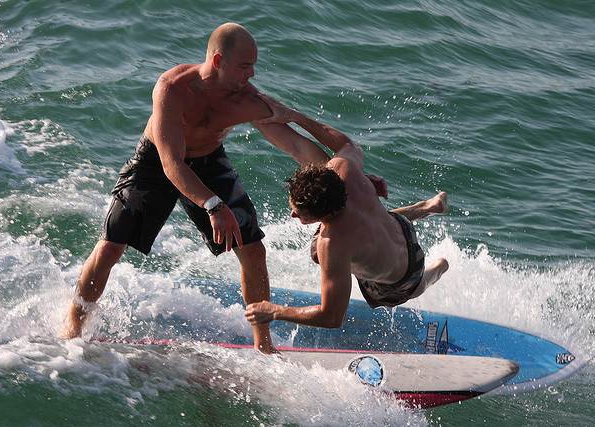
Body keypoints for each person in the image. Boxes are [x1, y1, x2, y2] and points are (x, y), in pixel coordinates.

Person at [61, 23, 330, 352]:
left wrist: (342, 174)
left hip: (207, 161)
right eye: (245, 66)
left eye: (253, 66)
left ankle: (263, 345)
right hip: (156, 160)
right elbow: (171, 163)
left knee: (252, 250)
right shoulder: (173, 89)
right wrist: (214, 206)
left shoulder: (246, 99)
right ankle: (73, 327)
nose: (252, 74)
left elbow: (297, 147)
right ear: (218, 61)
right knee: (110, 247)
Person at [245, 96, 449, 328]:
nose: (293, 215)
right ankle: (428, 207)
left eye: (299, 213)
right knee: (362, 212)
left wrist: (276, 311)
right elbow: (348, 145)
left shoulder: (332, 244)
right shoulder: (344, 169)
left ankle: (439, 267)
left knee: (319, 253)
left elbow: (332, 316)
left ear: (323, 217)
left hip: (404, 277)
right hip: (399, 228)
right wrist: (295, 116)